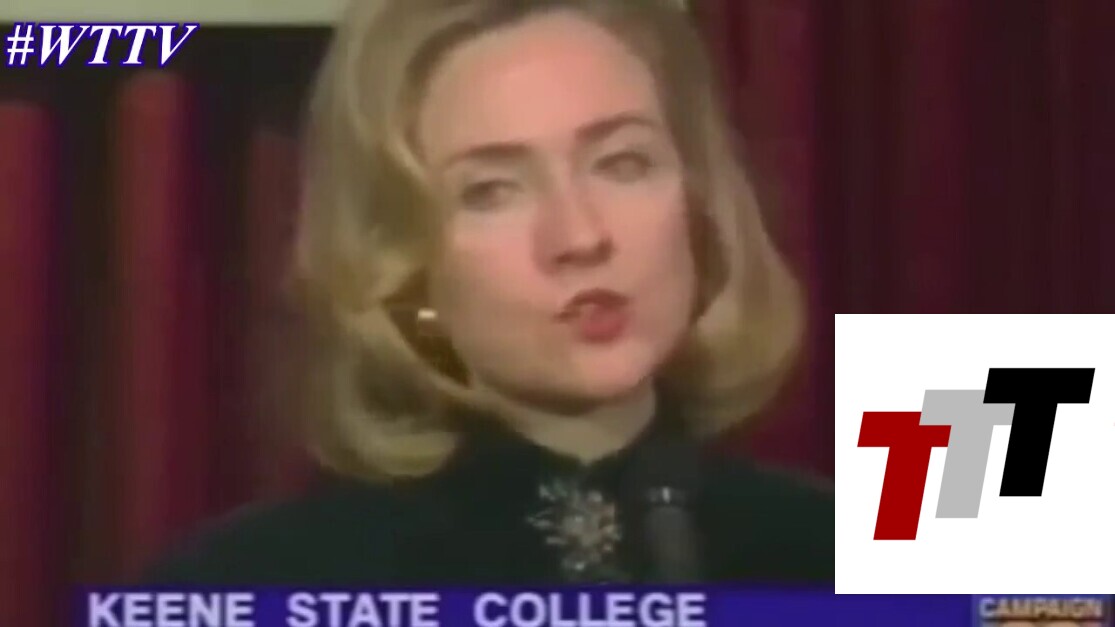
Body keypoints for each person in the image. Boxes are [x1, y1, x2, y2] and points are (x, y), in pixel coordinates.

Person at [145, 0, 834, 585]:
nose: (580, 236)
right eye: (491, 192)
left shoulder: (840, 556)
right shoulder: (248, 584)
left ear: (697, 198)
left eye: (621, 163)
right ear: (397, 257)